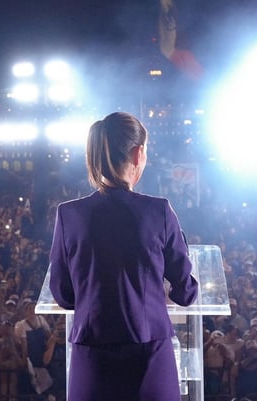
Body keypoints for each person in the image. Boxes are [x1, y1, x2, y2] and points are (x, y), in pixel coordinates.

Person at [49, 112, 199, 401]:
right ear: (138, 153)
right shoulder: (159, 212)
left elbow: (64, 295)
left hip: (92, 355)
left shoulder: (69, 215)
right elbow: (186, 292)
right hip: (150, 355)